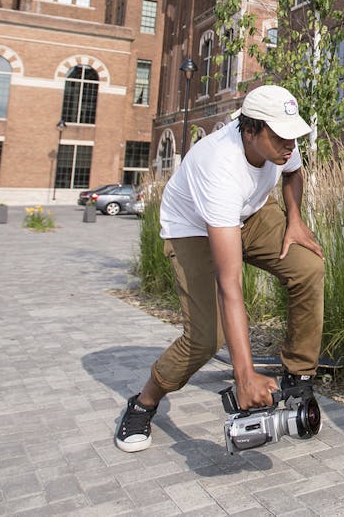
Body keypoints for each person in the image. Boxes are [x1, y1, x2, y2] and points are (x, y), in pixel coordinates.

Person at [114, 84, 325, 453]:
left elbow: (294, 173)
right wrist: (244, 377)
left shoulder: (281, 141)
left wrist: (295, 219)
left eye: (294, 136)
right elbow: (231, 286)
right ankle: (144, 401)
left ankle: (298, 373)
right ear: (249, 131)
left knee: (307, 266)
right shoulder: (219, 166)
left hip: (251, 213)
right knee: (205, 338)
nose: (290, 145)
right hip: (193, 229)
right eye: (280, 138)